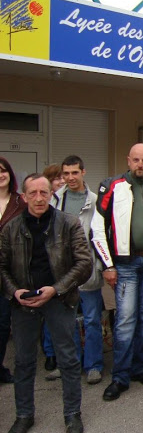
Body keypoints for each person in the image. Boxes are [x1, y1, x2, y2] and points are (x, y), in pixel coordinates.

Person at [0, 174, 92, 433]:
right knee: (24, 360)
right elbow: (2, 267)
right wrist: (14, 291)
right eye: (33, 193)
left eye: (44, 193)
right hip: (24, 303)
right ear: (25, 196)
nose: (39, 198)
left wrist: (56, 289)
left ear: (51, 195)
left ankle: (73, 414)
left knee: (68, 359)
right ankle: (24, 414)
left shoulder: (69, 224)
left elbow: (84, 264)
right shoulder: (11, 228)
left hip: (59, 299)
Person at [91, 143, 143, 401]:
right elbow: (97, 228)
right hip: (125, 264)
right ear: (128, 160)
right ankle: (120, 376)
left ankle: (139, 368)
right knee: (126, 320)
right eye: (136, 159)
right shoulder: (112, 186)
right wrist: (108, 265)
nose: (140, 164)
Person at [51, 155, 105, 385]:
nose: (70, 177)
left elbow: (102, 234)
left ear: (83, 172)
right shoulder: (55, 200)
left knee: (92, 319)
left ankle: (93, 366)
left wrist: (102, 265)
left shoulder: (95, 201)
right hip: (62, 270)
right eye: (66, 173)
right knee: (67, 320)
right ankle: (69, 364)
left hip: (88, 268)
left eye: (75, 172)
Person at [0, 158, 26, 386]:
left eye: (3, 171)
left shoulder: (20, 202)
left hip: (11, 270)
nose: (0, 175)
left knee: (2, 323)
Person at [41, 163, 65, 372]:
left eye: (63, 177)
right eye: (57, 178)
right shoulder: (46, 202)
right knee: (50, 311)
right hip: (49, 263)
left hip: (70, 266)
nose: (62, 181)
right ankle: (50, 353)